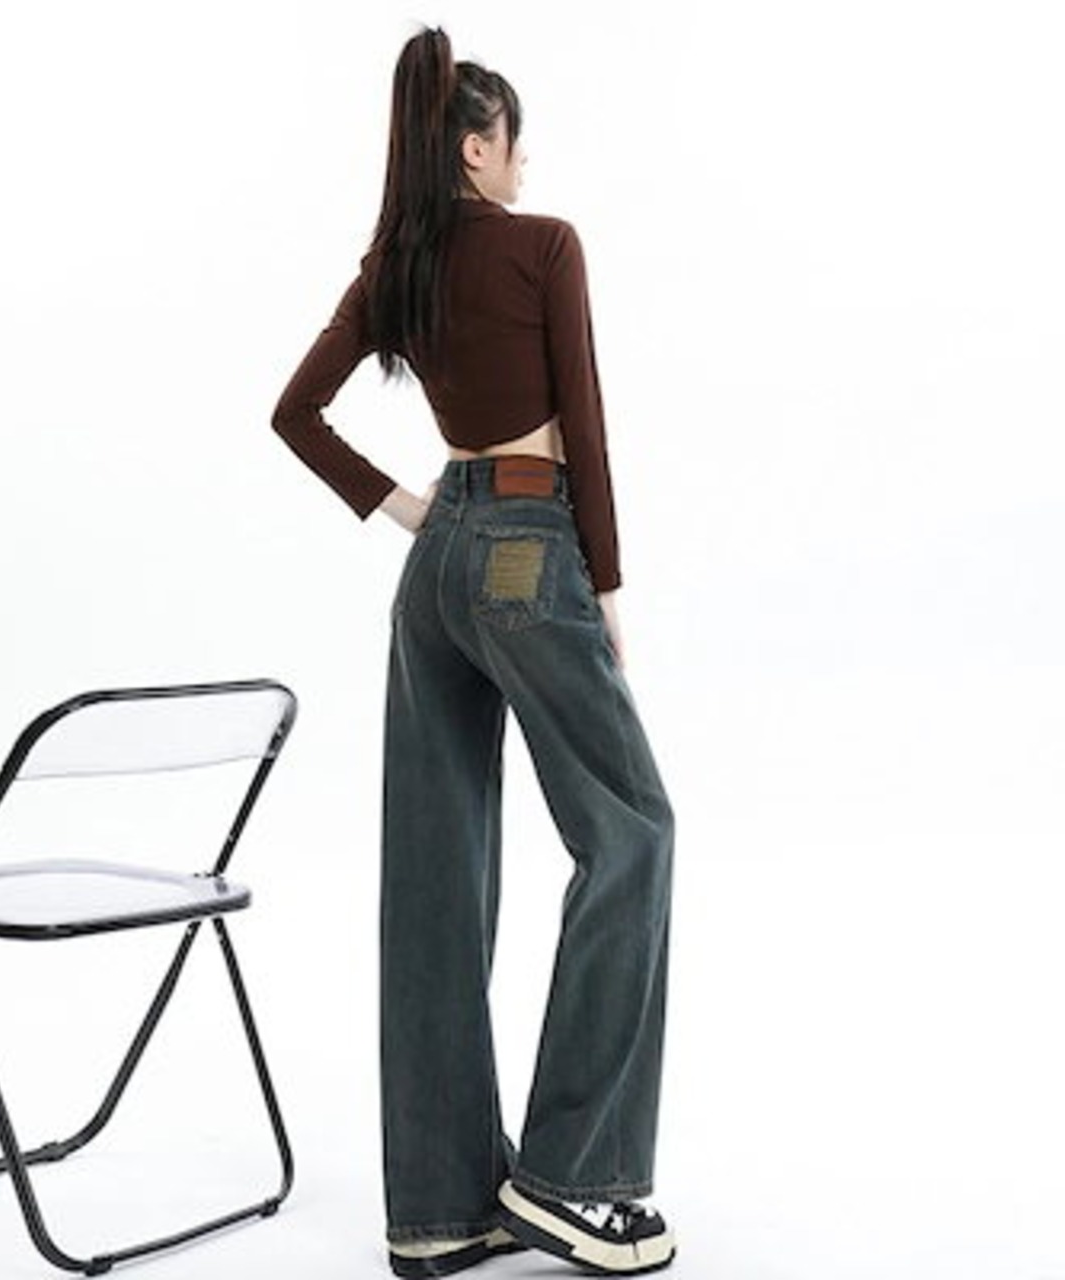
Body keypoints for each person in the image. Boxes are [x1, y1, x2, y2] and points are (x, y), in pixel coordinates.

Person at [271, 24, 676, 1279]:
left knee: (434, 880)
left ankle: (441, 1209)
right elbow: (582, 414)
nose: (521, 163)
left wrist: (406, 508)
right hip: (523, 550)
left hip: (435, 567)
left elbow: (293, 412)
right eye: (511, 143)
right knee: (631, 829)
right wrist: (602, 580)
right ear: (473, 147)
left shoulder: (392, 265)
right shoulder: (543, 243)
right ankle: (569, 1181)